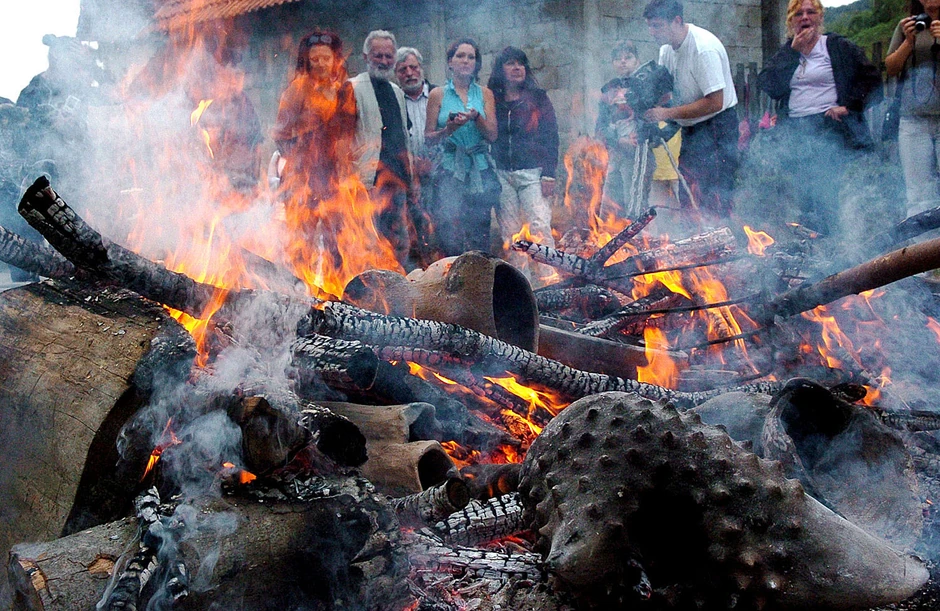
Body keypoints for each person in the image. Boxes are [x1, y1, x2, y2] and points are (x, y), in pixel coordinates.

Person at [758, 0, 880, 236]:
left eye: (810, 12)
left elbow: (872, 79)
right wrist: (793, 51)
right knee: (803, 194)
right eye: (798, 14)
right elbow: (769, 84)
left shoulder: (836, 46)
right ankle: (810, 247)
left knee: (826, 191)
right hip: (796, 130)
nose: (805, 18)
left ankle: (831, 246)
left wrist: (849, 106)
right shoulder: (788, 51)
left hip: (828, 128)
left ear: (820, 18)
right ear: (790, 21)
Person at [643, 0, 739, 227]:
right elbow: (665, 90)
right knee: (689, 189)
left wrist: (666, 113)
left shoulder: (703, 48)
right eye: (649, 26)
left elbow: (716, 102)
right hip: (691, 127)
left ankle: (725, 246)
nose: (652, 32)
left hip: (717, 127)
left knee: (715, 193)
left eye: (657, 26)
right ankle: (695, 244)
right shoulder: (666, 49)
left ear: (676, 21)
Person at [272, 30, 357, 265]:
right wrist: (300, 161)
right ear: (307, 61)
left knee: (338, 240)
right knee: (301, 240)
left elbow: (348, 132)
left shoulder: (345, 91)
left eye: (326, 58)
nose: (321, 64)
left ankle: (338, 293)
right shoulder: (297, 90)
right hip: (302, 178)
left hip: (334, 177)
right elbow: (280, 134)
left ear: (335, 60)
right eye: (315, 59)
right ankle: (299, 290)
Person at [487, 46, 559, 283]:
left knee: (539, 226)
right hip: (502, 174)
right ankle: (523, 286)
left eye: (520, 63)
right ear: (501, 69)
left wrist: (549, 174)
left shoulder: (538, 97)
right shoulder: (493, 98)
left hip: (532, 173)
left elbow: (551, 135)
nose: (516, 68)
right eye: (510, 63)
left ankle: (550, 281)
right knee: (510, 233)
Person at [425, 38, 499, 256]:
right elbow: (428, 138)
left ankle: (480, 283)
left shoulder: (485, 94)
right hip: (449, 171)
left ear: (476, 64)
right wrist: (448, 129)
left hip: (480, 171)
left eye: (471, 57)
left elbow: (493, 135)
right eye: (460, 56)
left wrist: (476, 118)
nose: (465, 61)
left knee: (480, 235)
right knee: (449, 234)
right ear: (450, 62)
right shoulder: (437, 94)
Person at [351, 30, 414, 267]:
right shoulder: (353, 89)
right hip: (367, 184)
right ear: (366, 56)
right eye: (378, 56)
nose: (384, 61)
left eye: (389, 56)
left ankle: (396, 296)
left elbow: (403, 138)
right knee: (367, 246)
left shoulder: (397, 92)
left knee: (397, 245)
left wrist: (410, 179)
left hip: (396, 185)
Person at [885, 0, 940, 218]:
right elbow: (891, 68)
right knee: (917, 195)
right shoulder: (907, 25)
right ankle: (921, 249)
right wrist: (909, 42)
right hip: (913, 119)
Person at [395, 46, 438, 266]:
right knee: (414, 233)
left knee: (441, 231)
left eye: (413, 67)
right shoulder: (394, 100)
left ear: (421, 68)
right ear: (396, 74)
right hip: (409, 179)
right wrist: (412, 164)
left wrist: (433, 162)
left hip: (441, 177)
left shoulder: (438, 95)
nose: (409, 73)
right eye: (402, 70)